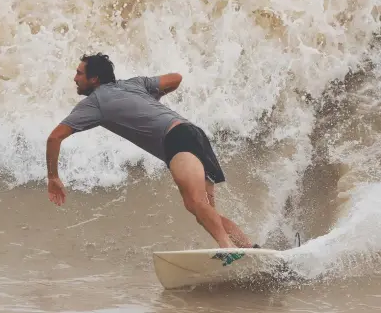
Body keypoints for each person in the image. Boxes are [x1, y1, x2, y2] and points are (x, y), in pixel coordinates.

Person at [46, 53, 255, 248]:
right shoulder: (135, 84)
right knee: (205, 212)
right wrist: (151, 98)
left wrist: (53, 177)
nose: (75, 78)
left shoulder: (95, 103)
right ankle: (251, 249)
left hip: (176, 141)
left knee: (195, 202)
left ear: (94, 79)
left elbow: (55, 137)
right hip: (194, 133)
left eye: (79, 73)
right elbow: (176, 78)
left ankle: (228, 250)